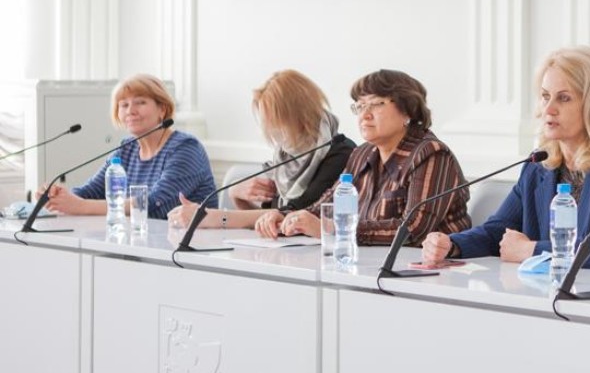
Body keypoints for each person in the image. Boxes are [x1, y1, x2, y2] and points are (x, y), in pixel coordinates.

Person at [421, 46, 590, 274]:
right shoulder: (539, 165)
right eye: (545, 96)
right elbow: (498, 232)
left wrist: (529, 250)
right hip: (563, 293)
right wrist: (451, 245)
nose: (548, 109)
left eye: (563, 98)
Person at [260, 69, 471, 244]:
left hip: (429, 270)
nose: (365, 115)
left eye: (376, 104)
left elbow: (413, 230)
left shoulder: (431, 154)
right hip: (368, 263)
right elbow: (324, 206)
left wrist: (333, 229)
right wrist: (286, 217)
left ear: (408, 110)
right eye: (360, 106)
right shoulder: (362, 154)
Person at [167, 69, 355, 230]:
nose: (273, 131)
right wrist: (236, 196)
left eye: (277, 120)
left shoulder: (340, 153)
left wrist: (213, 217)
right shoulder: (284, 158)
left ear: (300, 114)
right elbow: (268, 220)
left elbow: (293, 213)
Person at [41, 74, 216, 219]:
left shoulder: (186, 148)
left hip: (187, 245)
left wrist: (80, 206)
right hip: (139, 240)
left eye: (140, 102)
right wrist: (58, 196)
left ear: (162, 109)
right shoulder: (127, 148)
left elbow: (153, 205)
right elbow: (91, 191)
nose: (130, 111)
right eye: (124, 105)